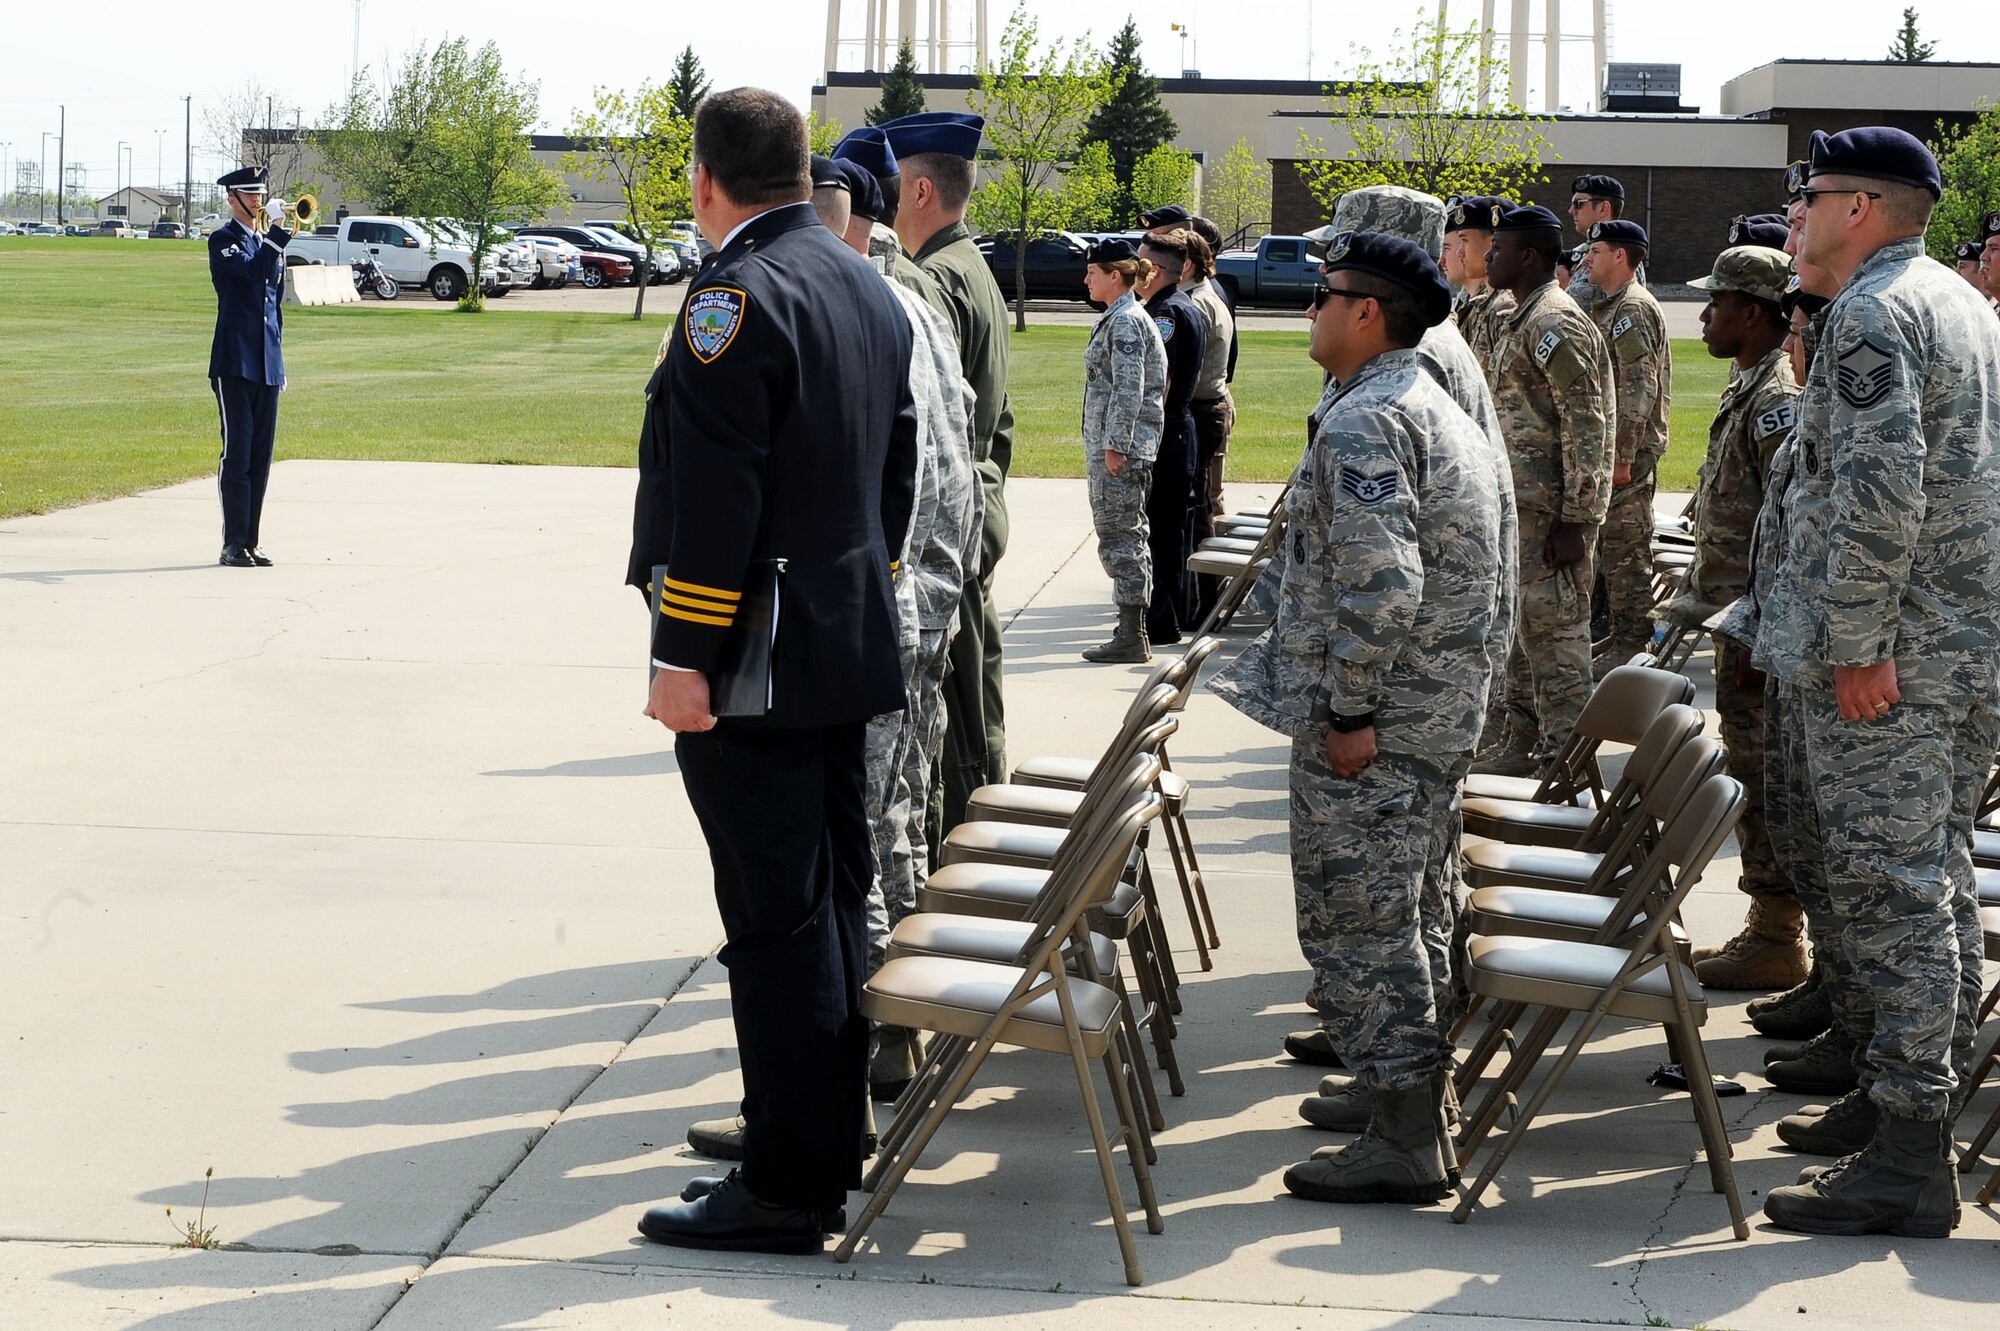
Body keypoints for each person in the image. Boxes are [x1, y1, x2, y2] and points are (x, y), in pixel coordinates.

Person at [626, 88, 918, 1254]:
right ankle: (816, 1142)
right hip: (839, 639)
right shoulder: (863, 281)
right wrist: (853, 592)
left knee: (772, 921)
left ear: (705, 180)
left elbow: (715, 501)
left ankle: (787, 1182)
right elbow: (894, 470)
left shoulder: (733, 298)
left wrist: (682, 656)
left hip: (753, 660)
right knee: (829, 903)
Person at [1209, 232, 1507, 1205]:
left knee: (1359, 922)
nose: (1309, 309)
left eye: (1323, 295)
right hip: (1429, 714)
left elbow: (1382, 585)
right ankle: (1407, 1097)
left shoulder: (1370, 420)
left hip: (1383, 725)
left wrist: (1348, 708)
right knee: (1410, 912)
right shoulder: (1420, 402)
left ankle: (1406, 1131)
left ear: (1366, 313)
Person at [1757, 127, 2000, 1238]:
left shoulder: (1871, 312)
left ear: (1858, 207)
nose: (1797, 221)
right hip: (1956, 646)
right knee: (1933, 877)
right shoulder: (1960, 301)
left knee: (1895, 893)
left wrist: (1856, 644)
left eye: (1809, 199)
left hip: (1893, 660)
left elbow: (1877, 487)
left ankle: (1908, 1151)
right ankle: (1908, 1101)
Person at [811, 157, 981, 1098]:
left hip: (886, 609)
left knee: (860, 838)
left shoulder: (865, 311)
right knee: (902, 815)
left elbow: (888, 478)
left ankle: (874, 1034)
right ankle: (904, 1009)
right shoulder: (915, 304)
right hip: (927, 601)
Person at [1666, 245, 1804, 992]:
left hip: (1756, 625)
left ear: (1752, 312)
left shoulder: (1778, 395)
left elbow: (1790, 522)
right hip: (1735, 616)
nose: (1704, 316)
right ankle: (1771, 927)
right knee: (1750, 771)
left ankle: (1779, 934)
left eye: (1716, 303)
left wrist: (1765, 627)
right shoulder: (1749, 381)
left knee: (1762, 777)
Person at [880, 111, 1013, 841]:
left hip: (948, 520)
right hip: (977, 505)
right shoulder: (971, 268)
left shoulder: (935, 279)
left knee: (954, 725)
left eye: (892, 184)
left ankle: (964, 860)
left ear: (921, 190)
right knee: (971, 702)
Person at [1473, 204, 1615, 778]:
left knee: (1557, 640)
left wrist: (1578, 519)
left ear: (1528, 256)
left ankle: (1567, 763)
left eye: (1498, 248)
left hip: (1551, 517)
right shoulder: (1521, 316)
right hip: (1522, 510)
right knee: (1523, 632)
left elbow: (1588, 423)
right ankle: (1523, 738)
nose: (1488, 256)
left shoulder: (1554, 323)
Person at [1582, 219, 1672, 667]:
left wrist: (1621, 456)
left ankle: (1634, 645)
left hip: (1628, 455)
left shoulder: (1632, 309)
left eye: (1595, 251)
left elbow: (1639, 387)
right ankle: (1622, 637)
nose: (1586, 259)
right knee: (1613, 548)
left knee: (1625, 549)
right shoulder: (1615, 305)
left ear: (1620, 256)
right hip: (1619, 451)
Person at [1078, 239, 1169, 663]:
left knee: (1121, 537)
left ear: (1114, 276)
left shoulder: (1127, 322)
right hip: (1119, 446)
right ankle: (1131, 631)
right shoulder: (1121, 317)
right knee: (1123, 534)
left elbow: (1129, 389)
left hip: (1120, 450)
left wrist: (1116, 445)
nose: (1086, 280)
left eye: (1092, 273)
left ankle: (1132, 635)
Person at [208, 165, 290, 569]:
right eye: (249, 194)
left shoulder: (267, 244)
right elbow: (252, 272)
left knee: (260, 458)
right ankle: (232, 543)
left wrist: (279, 360)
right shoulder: (223, 240)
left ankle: (251, 542)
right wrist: (276, 236)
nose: (257, 200)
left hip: (266, 362)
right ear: (233, 199)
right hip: (235, 361)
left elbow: (274, 304)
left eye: (260, 194)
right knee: (237, 455)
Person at [1137, 229, 1206, 645]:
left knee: (1161, 531)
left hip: (1166, 432)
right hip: (1177, 429)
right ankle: (1166, 615)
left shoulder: (1166, 315)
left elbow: (1159, 383)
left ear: (1157, 270)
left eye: (1141, 263)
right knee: (1168, 528)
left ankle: (1161, 619)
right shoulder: (1179, 305)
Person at [1176, 230, 1235, 615]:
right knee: (1199, 506)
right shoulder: (1208, 295)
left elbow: (1186, 370)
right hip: (1209, 406)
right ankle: (1200, 599)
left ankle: (1201, 602)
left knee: (1196, 510)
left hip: (1200, 409)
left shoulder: (1196, 303)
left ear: (1187, 264)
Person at [1444, 195, 1513, 374]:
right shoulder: (1479, 305)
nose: (1459, 253)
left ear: (1494, 244)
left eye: (1465, 241)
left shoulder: (1506, 308)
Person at [1564, 173, 1625, 303]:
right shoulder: (1585, 251)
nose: (1571, 210)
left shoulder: (1617, 254)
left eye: (1578, 203)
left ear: (1603, 208)